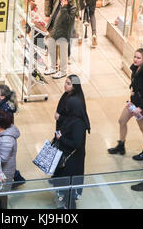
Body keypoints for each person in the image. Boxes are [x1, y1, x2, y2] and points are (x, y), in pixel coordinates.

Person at [108, 48, 143, 161]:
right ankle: (121, 145)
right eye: (135, 57)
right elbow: (136, 83)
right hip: (134, 103)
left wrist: (140, 108)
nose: (135, 59)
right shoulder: (136, 68)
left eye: (138, 58)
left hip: (141, 106)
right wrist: (132, 89)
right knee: (122, 121)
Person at [52, 76, 90, 209]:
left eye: (68, 83)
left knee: (69, 183)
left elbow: (76, 143)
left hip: (72, 158)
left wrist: (60, 138)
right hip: (67, 151)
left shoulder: (78, 123)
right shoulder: (73, 114)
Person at [44, 0, 76, 79]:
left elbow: (68, 20)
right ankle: (53, 67)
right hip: (55, 29)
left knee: (63, 53)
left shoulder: (72, 6)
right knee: (51, 49)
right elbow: (55, 13)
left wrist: (65, 8)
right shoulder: (59, 1)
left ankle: (63, 71)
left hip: (63, 33)